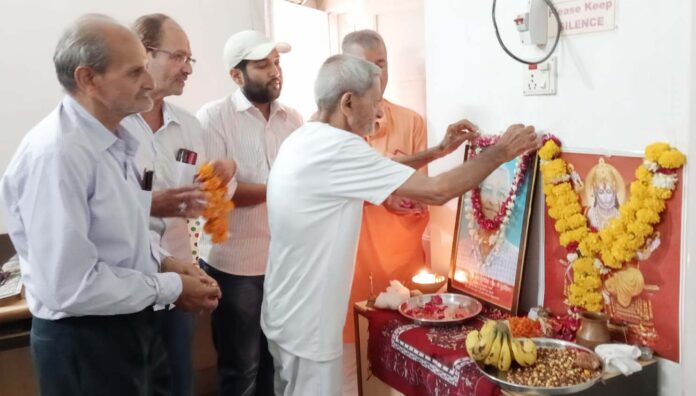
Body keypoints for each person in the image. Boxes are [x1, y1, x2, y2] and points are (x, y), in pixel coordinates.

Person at [261, 54, 540, 395]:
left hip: (283, 311)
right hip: (309, 323)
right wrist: (500, 152)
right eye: (374, 102)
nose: (379, 112)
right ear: (348, 102)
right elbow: (438, 191)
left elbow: (376, 168)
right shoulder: (338, 147)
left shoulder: (305, 138)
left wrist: (437, 151)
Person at [0, 15, 221, 395]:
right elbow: (70, 287)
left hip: (128, 322)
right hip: (86, 337)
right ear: (89, 80)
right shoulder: (58, 155)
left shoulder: (117, 140)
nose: (150, 82)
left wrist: (166, 261)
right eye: (135, 72)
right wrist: (169, 285)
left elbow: (123, 232)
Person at [124, 14, 236, 396]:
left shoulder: (189, 126)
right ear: (144, 53)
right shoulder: (113, 126)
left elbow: (204, 199)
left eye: (191, 59)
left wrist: (225, 175)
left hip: (176, 283)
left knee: (179, 386)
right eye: (179, 57)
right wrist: (151, 204)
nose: (188, 68)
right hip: (124, 288)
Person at [340, 29, 472, 341]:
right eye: (366, 66)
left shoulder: (411, 121)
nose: (376, 73)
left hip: (402, 259)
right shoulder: (334, 131)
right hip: (353, 260)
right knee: (354, 354)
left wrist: (408, 198)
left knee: (406, 342)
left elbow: (423, 190)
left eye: (381, 63)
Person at [196, 30, 302, 396]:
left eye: (277, 62)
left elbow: (304, 183)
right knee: (241, 368)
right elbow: (223, 194)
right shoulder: (213, 118)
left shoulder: (293, 119)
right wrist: (284, 190)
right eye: (263, 65)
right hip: (235, 265)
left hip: (283, 261)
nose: (275, 71)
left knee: (276, 363)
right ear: (236, 75)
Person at [584, 158, 625, 230]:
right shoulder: (589, 213)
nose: (606, 198)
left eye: (609, 192)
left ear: (614, 191)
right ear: (596, 192)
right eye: (601, 192)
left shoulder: (622, 215)